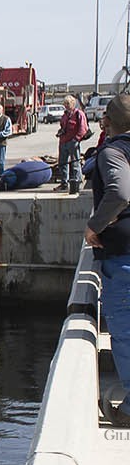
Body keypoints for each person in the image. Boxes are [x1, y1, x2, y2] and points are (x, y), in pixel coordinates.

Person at [86, 94, 130, 426]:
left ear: (108, 123)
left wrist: (94, 226)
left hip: (125, 257)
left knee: (125, 330)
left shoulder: (113, 152)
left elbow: (119, 192)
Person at [57, 93, 89, 194]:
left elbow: (83, 128)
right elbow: (63, 127)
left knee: (75, 163)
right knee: (62, 163)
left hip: (73, 142)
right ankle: (64, 183)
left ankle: (77, 182)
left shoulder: (79, 114)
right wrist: (60, 133)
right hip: (63, 141)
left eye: (68, 103)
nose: (66, 105)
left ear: (73, 103)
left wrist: (76, 139)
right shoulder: (64, 115)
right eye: (65, 104)